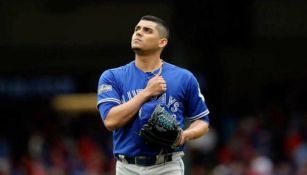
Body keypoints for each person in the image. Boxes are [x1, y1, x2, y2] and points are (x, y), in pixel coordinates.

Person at [97, 15, 210, 175]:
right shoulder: (112, 76)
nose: (139, 33)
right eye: (137, 29)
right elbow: (110, 121)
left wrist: (185, 135)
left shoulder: (184, 77)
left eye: (147, 30)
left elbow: (202, 121)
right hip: (127, 167)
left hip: (167, 166)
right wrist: (147, 92)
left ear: (162, 42)